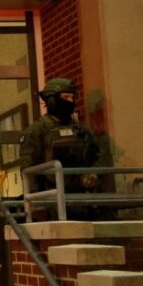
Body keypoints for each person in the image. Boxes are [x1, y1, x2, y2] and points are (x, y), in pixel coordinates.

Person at [19, 77, 113, 220]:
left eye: (72, 97)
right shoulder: (36, 131)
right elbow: (29, 170)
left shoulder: (81, 129)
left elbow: (99, 157)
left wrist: (94, 173)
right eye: (65, 97)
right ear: (51, 100)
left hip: (83, 200)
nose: (70, 101)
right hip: (52, 201)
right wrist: (37, 205)